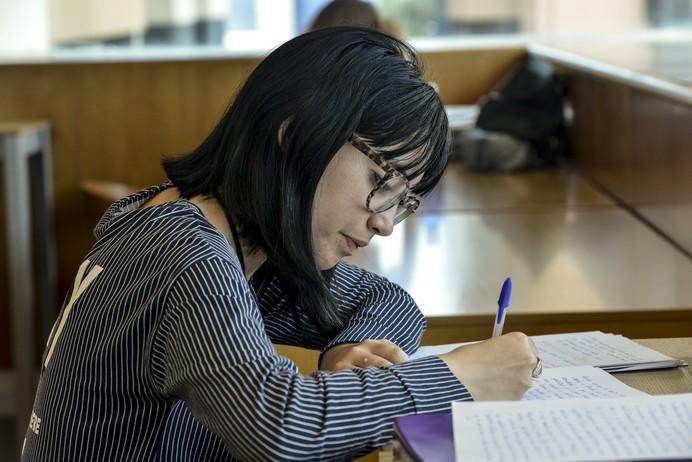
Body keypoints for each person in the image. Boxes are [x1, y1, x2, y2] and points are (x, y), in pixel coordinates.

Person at [22, 27, 539, 461]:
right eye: (382, 182)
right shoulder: (185, 250)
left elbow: (389, 302)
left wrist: (342, 352)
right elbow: (278, 427)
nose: (384, 224)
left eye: (404, 201)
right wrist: (457, 378)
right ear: (295, 137)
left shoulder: (233, 239)